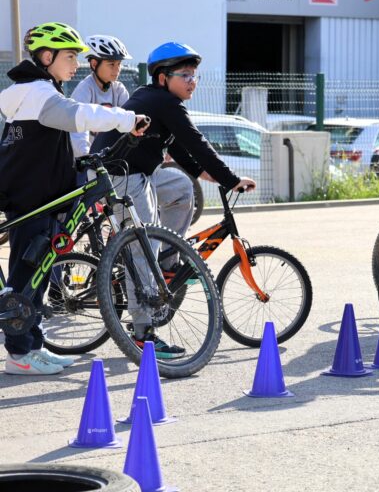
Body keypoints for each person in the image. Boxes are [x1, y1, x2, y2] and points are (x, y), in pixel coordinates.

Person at [0, 22, 148, 375]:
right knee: (27, 276)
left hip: (39, 195)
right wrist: (128, 119)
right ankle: (19, 355)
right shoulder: (37, 93)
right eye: (69, 56)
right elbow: (80, 116)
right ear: (46, 57)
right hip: (33, 198)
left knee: (34, 276)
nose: (76, 63)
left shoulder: (31, 90)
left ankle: (33, 345)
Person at [92, 42, 255, 359]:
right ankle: (143, 333)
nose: (192, 81)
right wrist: (230, 179)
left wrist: (200, 173)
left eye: (195, 75)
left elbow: (179, 146)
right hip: (122, 176)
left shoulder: (159, 102)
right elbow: (197, 141)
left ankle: (167, 256)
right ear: (163, 77)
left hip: (139, 171)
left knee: (181, 186)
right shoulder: (164, 102)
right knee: (142, 249)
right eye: (185, 75)